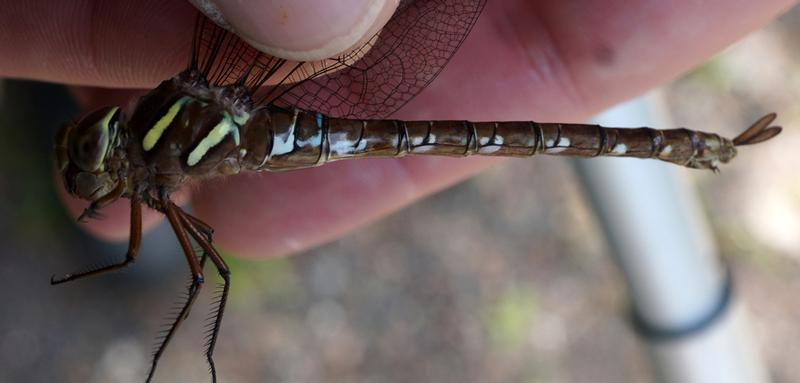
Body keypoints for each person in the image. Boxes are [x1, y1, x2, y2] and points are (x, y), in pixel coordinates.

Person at [1, 0, 793, 258]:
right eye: (93, 152)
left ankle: (687, 146)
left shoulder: (162, 158)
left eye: (95, 151)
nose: (100, 151)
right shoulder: (162, 152)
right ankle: (692, 146)